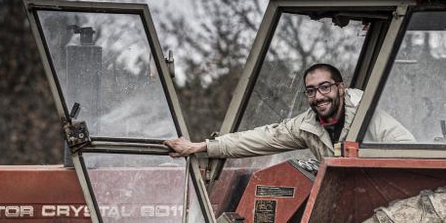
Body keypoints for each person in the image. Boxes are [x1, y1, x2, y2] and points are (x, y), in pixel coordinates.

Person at [163, 63, 414, 160]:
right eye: (311, 91)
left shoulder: (364, 112)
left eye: (325, 87)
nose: (318, 97)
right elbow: (263, 138)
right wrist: (200, 147)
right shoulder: (307, 126)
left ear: (340, 88)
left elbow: (406, 147)